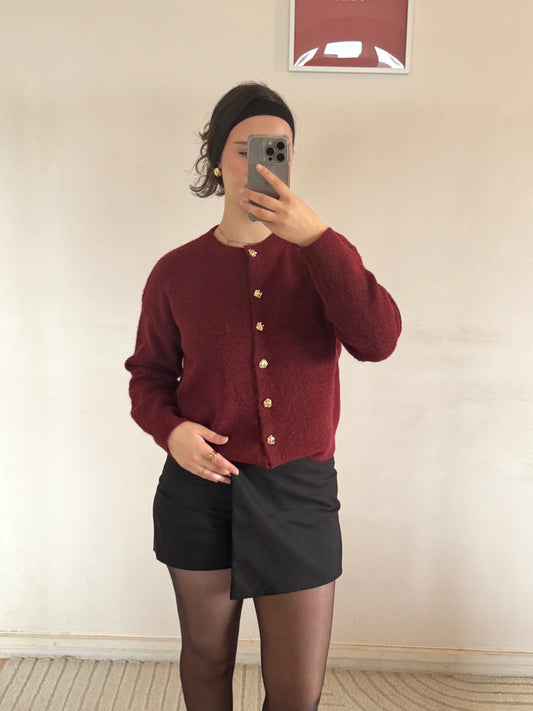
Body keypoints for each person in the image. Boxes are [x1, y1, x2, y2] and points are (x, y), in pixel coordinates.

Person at [125, 81, 401, 711]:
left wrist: (317, 238)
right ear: (217, 160)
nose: (261, 162)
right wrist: (172, 431)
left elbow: (378, 340)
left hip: (299, 493)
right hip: (201, 490)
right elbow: (148, 376)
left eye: (278, 149)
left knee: (297, 690)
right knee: (206, 657)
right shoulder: (175, 272)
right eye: (245, 147)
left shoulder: (321, 257)